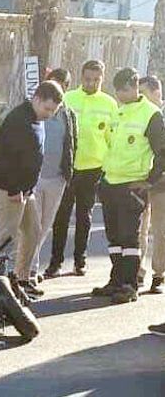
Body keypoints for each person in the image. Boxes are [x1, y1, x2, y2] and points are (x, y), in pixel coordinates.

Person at [93, 68, 165, 304]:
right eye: (118, 91)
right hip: (110, 181)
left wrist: (150, 181)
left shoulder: (151, 114)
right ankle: (116, 280)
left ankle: (129, 284)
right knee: (114, 237)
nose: (120, 95)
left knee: (129, 237)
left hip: (132, 185)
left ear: (134, 87)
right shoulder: (119, 111)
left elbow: (162, 153)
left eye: (123, 90)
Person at [0, 81, 64, 298]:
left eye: (54, 111)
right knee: (7, 239)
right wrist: (14, 190)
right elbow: (9, 156)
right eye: (47, 109)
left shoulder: (36, 118)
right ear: (37, 99)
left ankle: (21, 279)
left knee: (33, 232)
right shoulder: (18, 120)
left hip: (25, 189)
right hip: (9, 189)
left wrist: (25, 189)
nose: (49, 114)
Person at [46, 60, 118, 278]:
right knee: (61, 216)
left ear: (102, 79)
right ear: (81, 77)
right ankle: (56, 262)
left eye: (96, 79)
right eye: (87, 79)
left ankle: (80, 261)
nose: (91, 83)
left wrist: (108, 166)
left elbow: (112, 139)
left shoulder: (109, 104)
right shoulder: (67, 99)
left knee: (84, 216)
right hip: (68, 168)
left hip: (93, 168)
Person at [26, 69, 77, 292]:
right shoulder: (33, 111)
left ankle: (29, 268)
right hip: (35, 178)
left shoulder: (68, 114)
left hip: (57, 178)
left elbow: (73, 142)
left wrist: (68, 172)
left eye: (62, 85)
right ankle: (26, 271)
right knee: (31, 228)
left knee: (45, 226)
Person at [138, 75, 165, 294]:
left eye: (143, 94)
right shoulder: (138, 114)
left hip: (159, 181)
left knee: (159, 229)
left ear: (157, 94)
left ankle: (158, 274)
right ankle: (137, 272)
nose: (140, 98)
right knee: (139, 229)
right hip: (139, 179)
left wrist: (152, 178)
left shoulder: (161, 116)